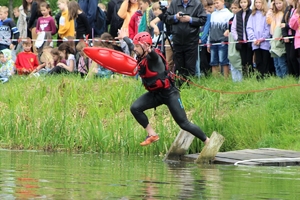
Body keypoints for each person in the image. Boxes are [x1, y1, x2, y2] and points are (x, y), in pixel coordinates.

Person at [129, 32, 210, 146]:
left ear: (146, 46)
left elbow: (154, 56)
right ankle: (152, 134)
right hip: (155, 94)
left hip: (169, 94)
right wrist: (125, 38)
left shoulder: (154, 58)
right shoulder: (140, 56)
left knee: (184, 123)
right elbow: (130, 45)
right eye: (135, 45)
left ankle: (208, 141)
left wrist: (150, 51)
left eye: (137, 46)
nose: (135, 48)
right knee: (135, 108)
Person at [166, 0, 207, 86]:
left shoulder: (197, 4)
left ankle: (190, 87)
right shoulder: (174, 3)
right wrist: (175, 17)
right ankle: (180, 86)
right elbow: (166, 18)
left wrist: (190, 19)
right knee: (179, 66)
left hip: (191, 40)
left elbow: (203, 20)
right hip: (177, 40)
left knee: (190, 66)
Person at [207, 0, 233, 78]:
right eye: (214, 3)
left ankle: (226, 79)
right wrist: (208, 42)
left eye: (217, 3)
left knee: (224, 61)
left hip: (223, 41)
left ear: (223, 2)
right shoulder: (213, 14)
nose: (216, 5)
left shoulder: (228, 14)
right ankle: (215, 79)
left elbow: (230, 28)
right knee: (213, 62)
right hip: (213, 41)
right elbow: (210, 29)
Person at [246, 0, 271, 78]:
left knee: (265, 60)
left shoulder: (267, 14)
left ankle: (266, 77)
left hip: (265, 43)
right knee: (258, 61)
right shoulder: (252, 15)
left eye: (259, 2)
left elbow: (268, 28)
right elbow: (249, 28)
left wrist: (262, 39)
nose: (257, 4)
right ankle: (259, 78)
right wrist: (253, 39)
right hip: (255, 43)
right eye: (256, 2)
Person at [231, 0, 253, 79]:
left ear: (248, 3)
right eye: (241, 2)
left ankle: (251, 77)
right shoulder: (238, 14)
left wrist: (251, 38)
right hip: (241, 42)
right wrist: (238, 38)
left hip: (249, 41)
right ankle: (245, 77)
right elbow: (233, 28)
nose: (243, 4)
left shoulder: (251, 13)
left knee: (249, 60)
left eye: (245, 2)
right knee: (243, 61)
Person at [266, 0, 288, 78]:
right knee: (276, 63)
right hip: (273, 39)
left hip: (280, 40)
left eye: (280, 3)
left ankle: (285, 79)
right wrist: (271, 8)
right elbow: (268, 20)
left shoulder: (285, 13)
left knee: (282, 62)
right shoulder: (274, 14)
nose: (278, 5)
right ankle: (279, 79)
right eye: (276, 3)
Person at [281, 0, 299, 77]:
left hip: (295, 36)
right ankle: (294, 76)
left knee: (294, 57)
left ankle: (297, 75)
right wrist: (285, 35)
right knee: (290, 58)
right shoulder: (289, 9)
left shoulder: (297, 10)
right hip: (290, 37)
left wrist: (286, 25)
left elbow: (292, 25)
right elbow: (284, 23)